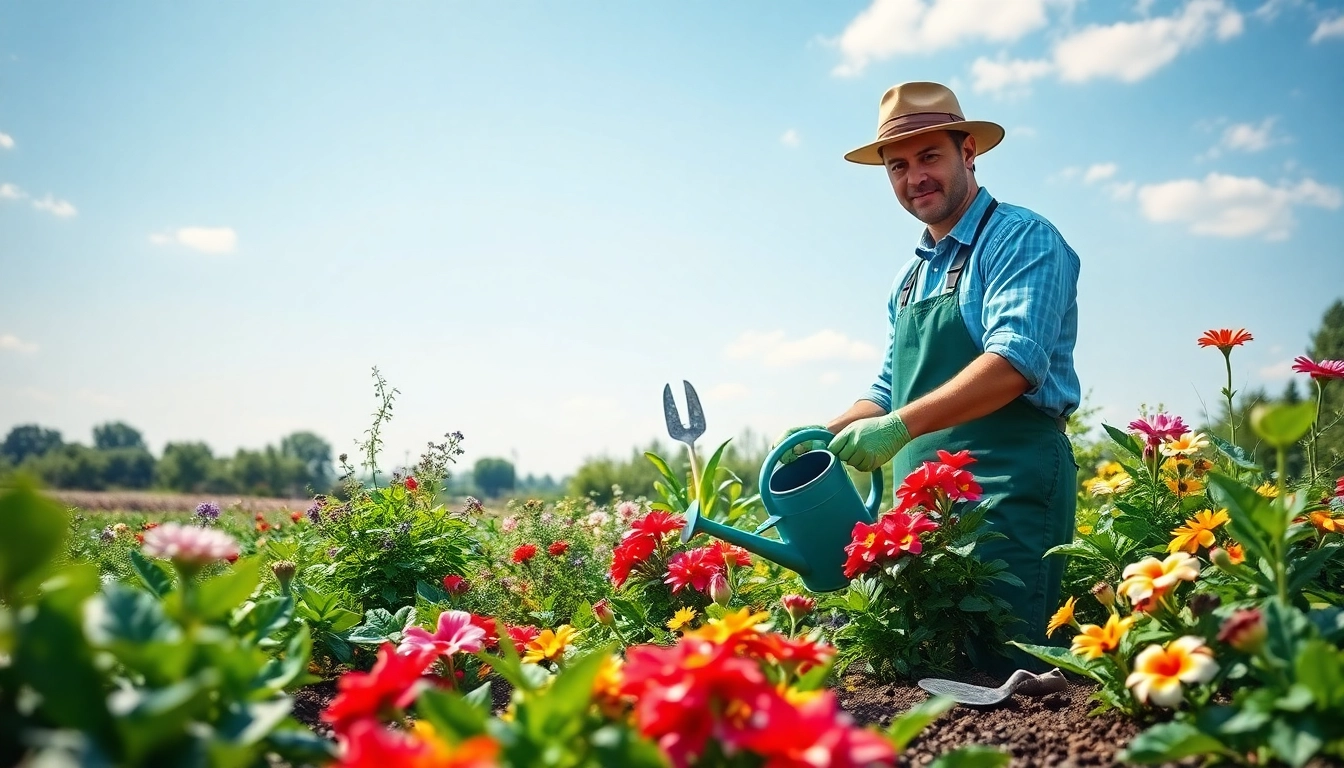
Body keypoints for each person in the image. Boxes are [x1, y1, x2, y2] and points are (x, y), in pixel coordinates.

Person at [775, 81, 1081, 675]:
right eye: (898, 166)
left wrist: (896, 427)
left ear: (969, 152)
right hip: (921, 514)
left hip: (1004, 489)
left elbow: (1014, 364)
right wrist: (825, 432)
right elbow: (890, 388)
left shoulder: (1021, 238)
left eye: (929, 157)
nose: (915, 177)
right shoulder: (909, 279)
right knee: (933, 680)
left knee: (1012, 673)